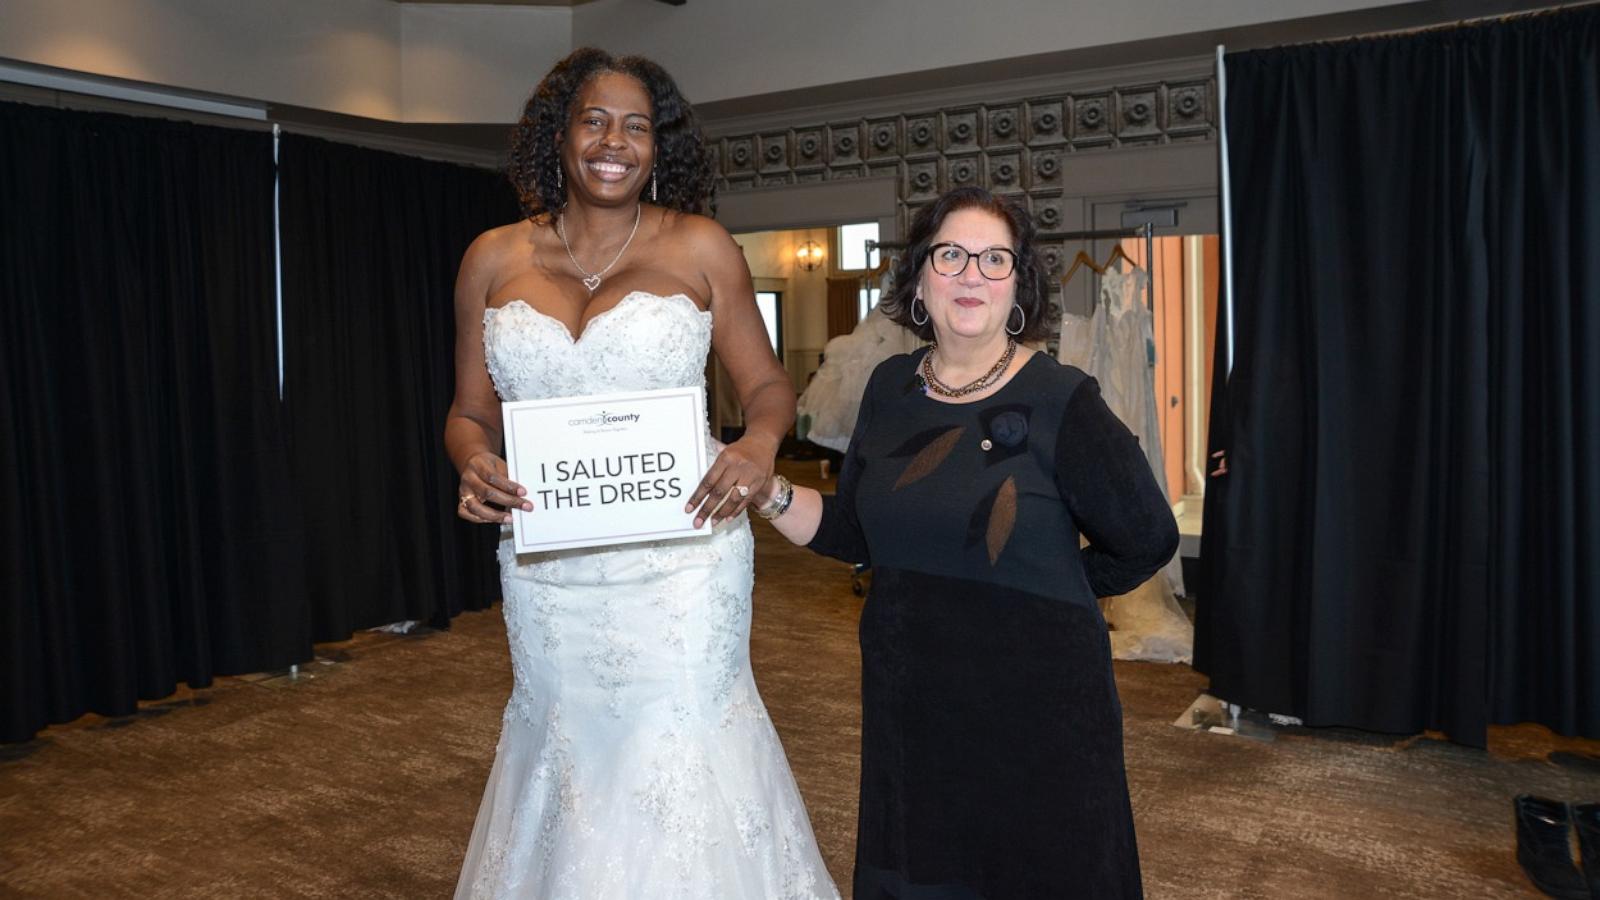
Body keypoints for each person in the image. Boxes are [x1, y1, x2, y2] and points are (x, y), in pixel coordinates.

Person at [444, 48, 838, 899]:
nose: (614, 142)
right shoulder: (490, 259)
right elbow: (468, 413)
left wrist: (761, 445)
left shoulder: (700, 247)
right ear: (560, 135)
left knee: (682, 748)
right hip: (551, 565)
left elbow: (769, 388)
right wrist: (473, 460)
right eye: (595, 120)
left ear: (659, 149)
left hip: (684, 562)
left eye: (637, 127)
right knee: (566, 747)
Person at [750, 186, 1178, 899]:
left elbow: (1147, 536)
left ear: (1018, 285)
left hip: (1036, 708)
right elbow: (856, 529)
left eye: (993, 259)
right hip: (913, 698)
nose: (971, 274)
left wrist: (1049, 588)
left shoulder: (1061, 398)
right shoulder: (890, 388)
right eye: (951, 255)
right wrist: (767, 493)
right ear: (920, 279)